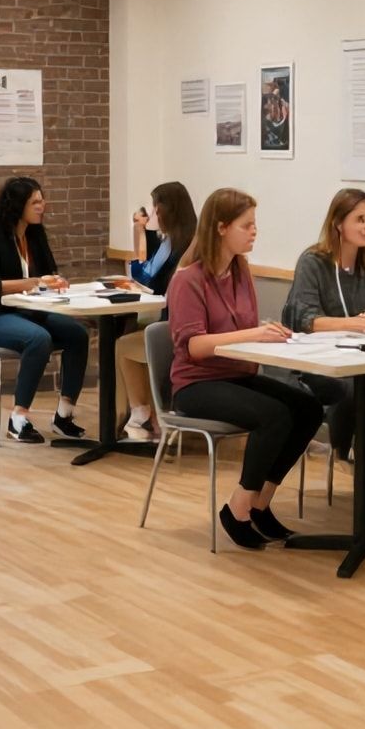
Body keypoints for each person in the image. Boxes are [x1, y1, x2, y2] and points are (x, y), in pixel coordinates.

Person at [167, 187, 323, 550]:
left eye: (254, 225)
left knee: (307, 407)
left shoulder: (240, 270)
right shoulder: (187, 279)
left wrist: (272, 335)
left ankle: (260, 502)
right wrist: (255, 333)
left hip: (237, 375)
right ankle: (238, 506)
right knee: (274, 416)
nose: (254, 232)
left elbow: (242, 331)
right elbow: (194, 346)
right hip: (196, 385)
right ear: (221, 228)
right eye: (246, 225)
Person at [281, 188, 365, 466]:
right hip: (319, 364)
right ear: (338, 224)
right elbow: (306, 321)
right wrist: (352, 324)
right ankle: (343, 454)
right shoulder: (313, 262)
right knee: (351, 392)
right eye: (360, 219)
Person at [0, 176, 90, 444]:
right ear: (17, 206)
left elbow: (48, 274)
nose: (42, 206)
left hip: (30, 312)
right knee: (38, 338)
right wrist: (33, 282)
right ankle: (18, 419)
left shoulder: (35, 235)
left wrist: (54, 281)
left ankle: (64, 415)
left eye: (42, 200)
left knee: (77, 334)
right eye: (34, 202)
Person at [114, 181, 197, 440]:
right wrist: (143, 233)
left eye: (155, 207)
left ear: (165, 209)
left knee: (122, 345)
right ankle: (144, 415)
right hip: (182, 323)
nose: (152, 213)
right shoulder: (190, 238)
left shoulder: (174, 243)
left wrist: (138, 235)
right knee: (135, 334)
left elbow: (146, 277)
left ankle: (138, 416)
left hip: (173, 327)